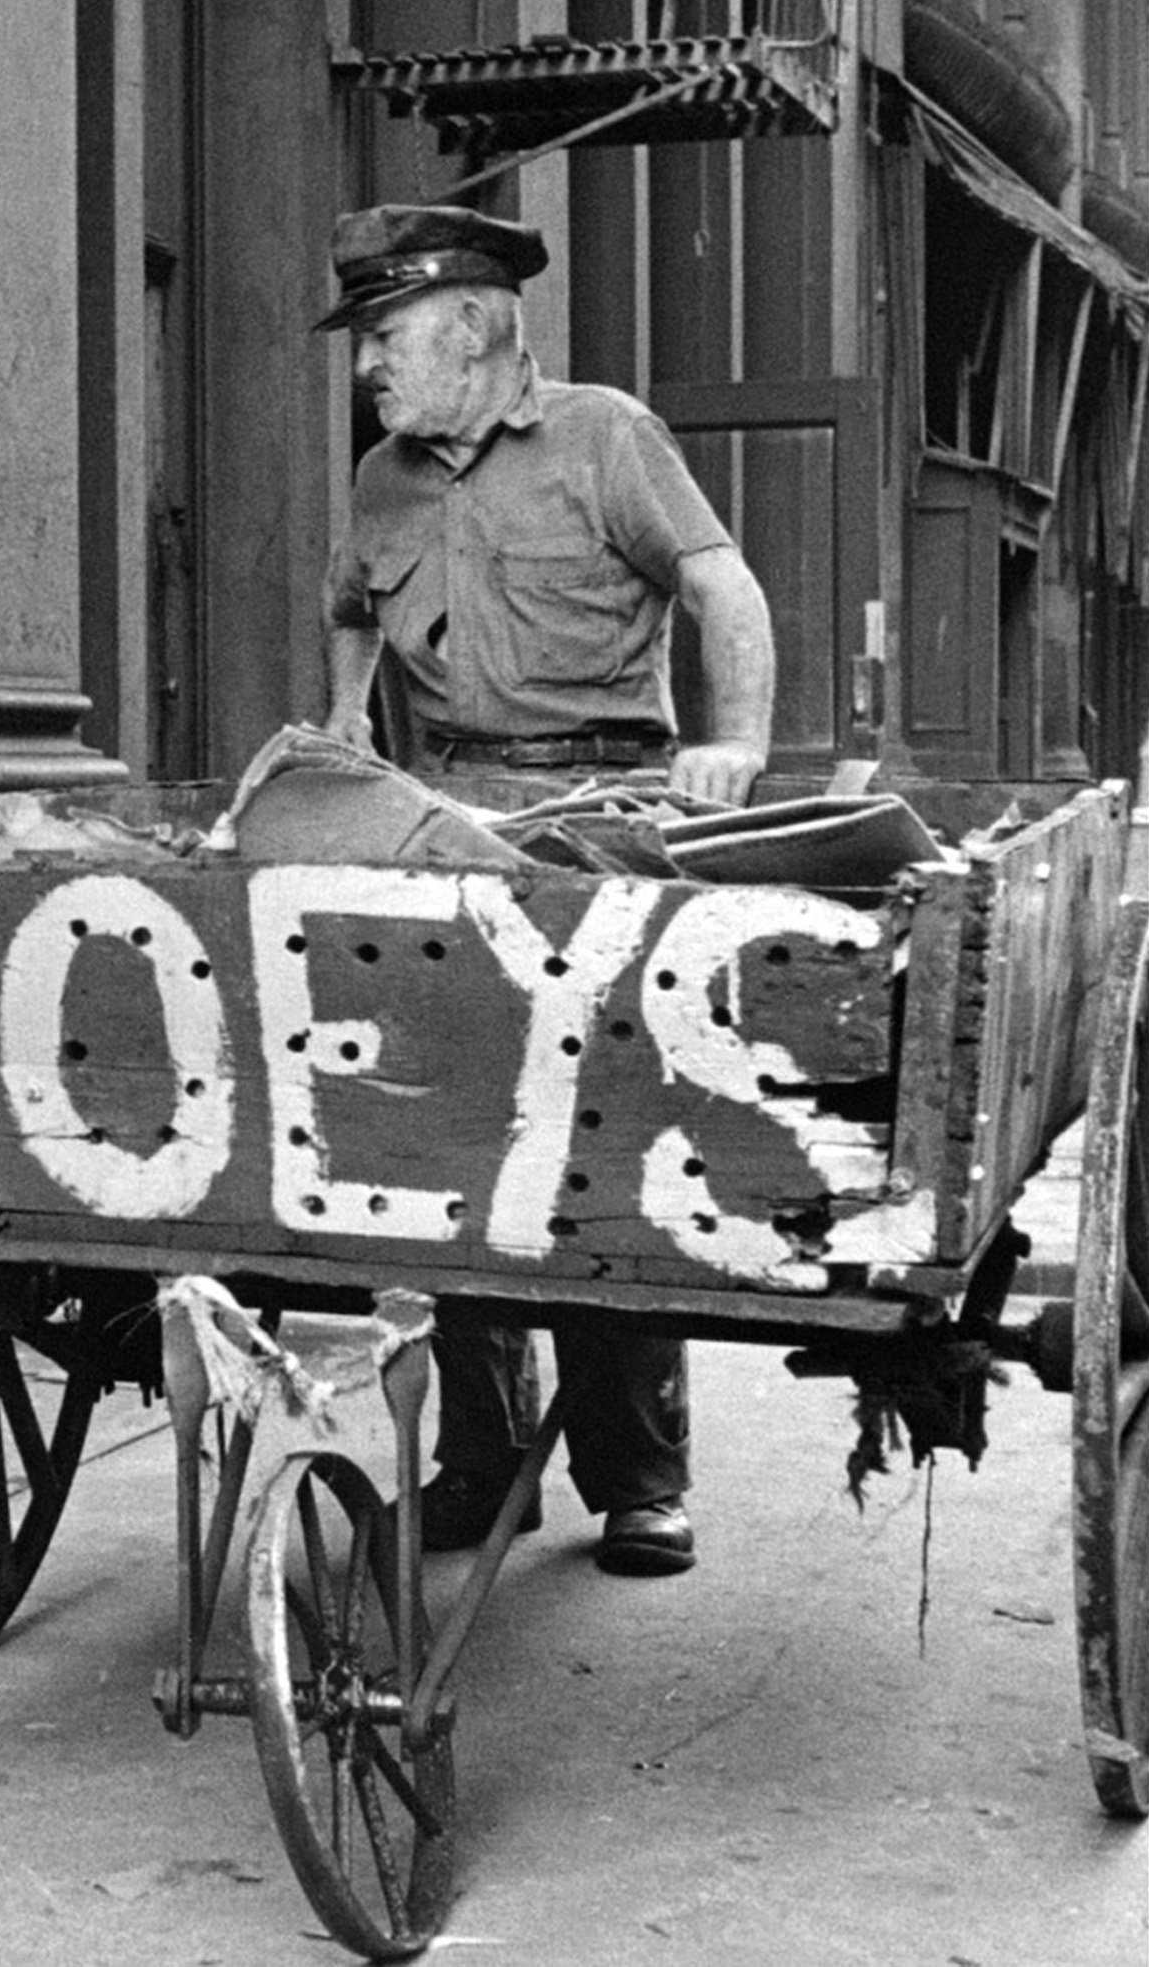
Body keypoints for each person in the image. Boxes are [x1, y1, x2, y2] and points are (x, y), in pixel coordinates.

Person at [313, 201, 779, 1579]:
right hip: (443, 819)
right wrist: (345, 721)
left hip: (601, 818)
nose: (366, 366)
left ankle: (637, 1477)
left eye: (385, 335)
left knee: (604, 1145)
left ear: (469, 326)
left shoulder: (604, 435)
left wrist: (735, 745)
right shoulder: (384, 475)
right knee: (444, 1136)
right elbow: (351, 606)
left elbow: (722, 585)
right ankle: (483, 1460)